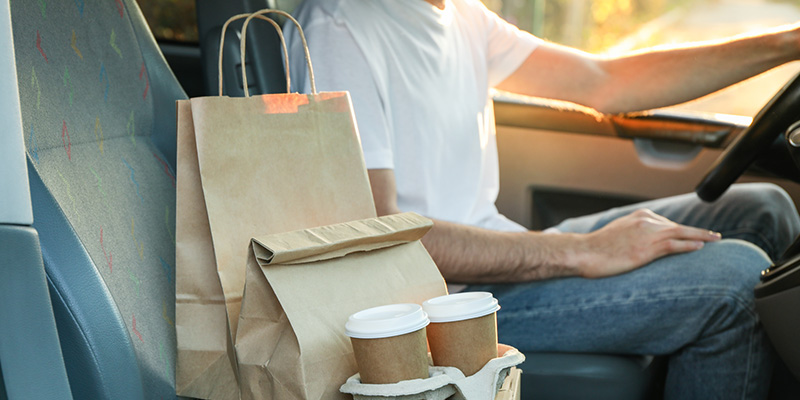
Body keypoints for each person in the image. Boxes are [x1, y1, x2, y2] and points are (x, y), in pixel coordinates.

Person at [285, 0, 800, 398]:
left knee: (763, 209)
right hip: (439, 308)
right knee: (735, 283)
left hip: (494, 263)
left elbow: (606, 83)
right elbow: (382, 235)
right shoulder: (338, 28)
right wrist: (583, 251)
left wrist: (787, 43)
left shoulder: (461, 13)